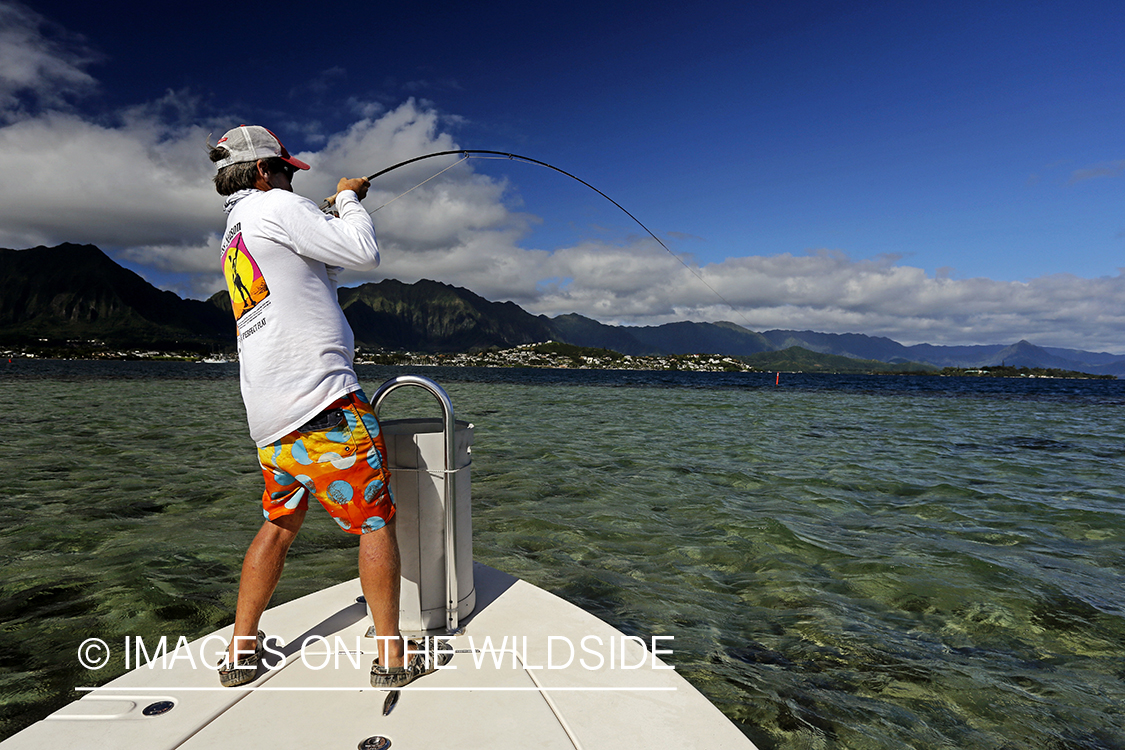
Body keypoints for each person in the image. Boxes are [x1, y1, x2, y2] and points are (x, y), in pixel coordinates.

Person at [208, 125, 430, 689]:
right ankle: (392, 656)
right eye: (283, 169)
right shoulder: (276, 205)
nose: (287, 178)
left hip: (269, 421)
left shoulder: (236, 229)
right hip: (324, 407)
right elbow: (364, 252)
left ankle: (241, 650)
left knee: (278, 524)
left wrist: (327, 215)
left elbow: (322, 271)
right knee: (376, 522)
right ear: (263, 172)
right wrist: (350, 200)